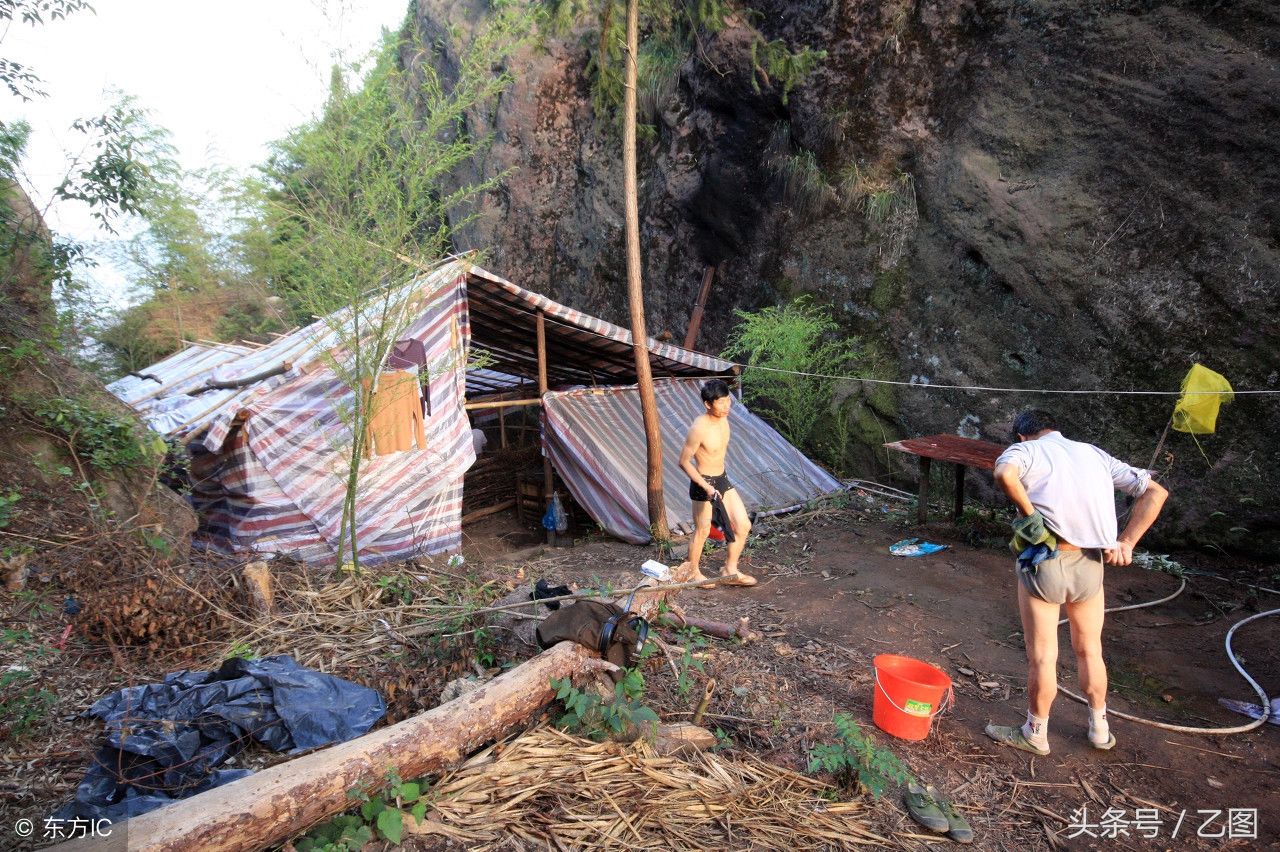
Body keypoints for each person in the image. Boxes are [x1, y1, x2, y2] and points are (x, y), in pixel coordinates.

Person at [986, 409, 1168, 755]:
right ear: (1055, 428)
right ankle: (1100, 728)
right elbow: (1156, 491)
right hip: (1091, 563)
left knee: (1043, 655)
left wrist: (1030, 516)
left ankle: (1035, 733)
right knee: (1090, 650)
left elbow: (1005, 474)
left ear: (1022, 435)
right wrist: (1127, 543)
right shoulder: (1093, 453)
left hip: (1047, 561)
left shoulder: (1025, 451)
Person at [679, 379, 756, 587]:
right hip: (703, 483)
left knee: (743, 524)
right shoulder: (699, 427)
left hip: (722, 479)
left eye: (728, 401)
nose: (726, 406)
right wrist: (706, 486)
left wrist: (717, 483)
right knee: (703, 530)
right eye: (721, 403)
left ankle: (729, 570)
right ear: (708, 404)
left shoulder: (724, 419)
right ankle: (692, 572)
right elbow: (684, 462)